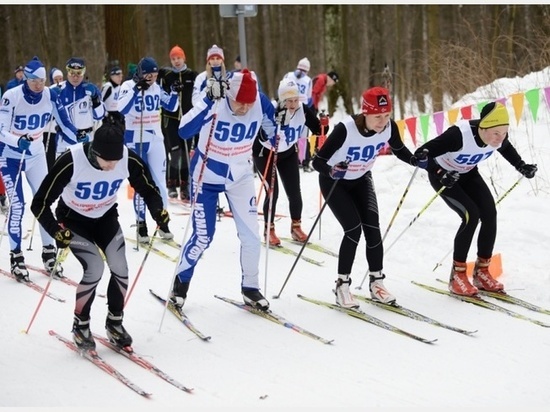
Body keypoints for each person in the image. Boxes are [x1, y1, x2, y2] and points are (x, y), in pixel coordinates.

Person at [30, 121, 170, 351]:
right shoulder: (71, 160)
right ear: (95, 153)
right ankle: (81, 324)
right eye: (108, 161)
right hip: (73, 220)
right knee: (95, 267)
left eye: (116, 160)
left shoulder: (127, 158)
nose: (113, 166)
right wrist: (55, 230)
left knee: (121, 268)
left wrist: (157, 212)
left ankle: (115, 323)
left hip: (105, 217)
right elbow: (40, 203)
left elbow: (149, 189)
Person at [174, 68, 277, 311]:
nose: (244, 108)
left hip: (240, 176)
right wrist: (208, 99)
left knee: (252, 237)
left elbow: (276, 138)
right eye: (240, 103)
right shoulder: (216, 99)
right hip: (206, 176)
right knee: (203, 237)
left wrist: (286, 124)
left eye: (248, 104)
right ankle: (180, 283)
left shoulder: (260, 102)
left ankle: (250, 287)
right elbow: (184, 130)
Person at [412, 102, 537, 297]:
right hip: (444, 176)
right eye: (496, 133)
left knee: (489, 214)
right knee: (471, 215)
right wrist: (439, 171)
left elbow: (506, 147)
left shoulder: (498, 134)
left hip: (469, 174)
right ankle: (457, 276)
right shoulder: (459, 135)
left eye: (504, 133)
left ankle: (481, 272)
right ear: (482, 127)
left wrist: (521, 166)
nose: (500, 138)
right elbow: (420, 155)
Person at [312, 86, 418, 308]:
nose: (383, 121)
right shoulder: (345, 130)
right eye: (377, 116)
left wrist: (417, 160)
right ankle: (342, 285)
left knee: (372, 228)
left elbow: (399, 150)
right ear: (365, 113)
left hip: (361, 179)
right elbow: (317, 161)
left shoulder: (389, 128)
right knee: (352, 228)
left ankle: (377, 283)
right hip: (335, 182)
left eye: (387, 115)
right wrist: (332, 170)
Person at [0, 56, 77, 281]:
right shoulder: (11, 96)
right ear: (26, 77)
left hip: (35, 156)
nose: (39, 85)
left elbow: (65, 123)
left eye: (42, 81)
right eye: (34, 80)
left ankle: (49, 251)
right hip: (10, 156)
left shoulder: (50, 95)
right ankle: (16, 256)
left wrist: (81, 138)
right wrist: (17, 140)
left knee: (43, 202)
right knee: (17, 206)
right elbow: (1, 130)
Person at [253, 79, 326, 246]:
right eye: (288, 101)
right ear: (281, 100)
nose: (293, 104)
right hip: (265, 153)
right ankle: (269, 229)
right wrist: (275, 125)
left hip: (287, 153)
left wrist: (323, 125)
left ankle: (296, 227)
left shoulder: (302, 110)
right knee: (272, 192)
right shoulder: (271, 109)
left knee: (294, 191)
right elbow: (261, 135)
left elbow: (317, 129)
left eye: (295, 100)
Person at [117, 56, 179, 243]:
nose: (151, 77)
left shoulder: (156, 87)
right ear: (140, 73)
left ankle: (162, 220)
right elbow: (122, 109)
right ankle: (141, 222)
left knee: (160, 182)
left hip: (155, 138)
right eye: (147, 73)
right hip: (136, 138)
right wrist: (137, 89)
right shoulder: (128, 86)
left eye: (154, 73)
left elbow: (171, 106)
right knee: (141, 183)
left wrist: (175, 92)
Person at [158, 45, 198, 202]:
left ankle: (185, 185)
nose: (176, 61)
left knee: (187, 151)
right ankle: (171, 184)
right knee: (175, 152)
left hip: (187, 117)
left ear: (184, 58)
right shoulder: (166, 75)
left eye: (178, 58)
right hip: (171, 119)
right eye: (173, 59)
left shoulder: (192, 75)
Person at [55, 57, 106, 157]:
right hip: (65, 141)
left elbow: (100, 116)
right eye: (72, 73)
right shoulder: (58, 89)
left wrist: (95, 98)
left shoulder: (90, 89)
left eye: (79, 73)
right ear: (67, 72)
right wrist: (51, 97)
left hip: (86, 138)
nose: (75, 77)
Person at [283, 58, 314, 171]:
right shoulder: (308, 80)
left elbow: (280, 90)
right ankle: (301, 160)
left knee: (287, 133)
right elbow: (310, 97)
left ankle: (286, 158)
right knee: (302, 136)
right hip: (301, 109)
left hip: (288, 107)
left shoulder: (288, 75)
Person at [43, 67, 65, 170]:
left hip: (58, 129)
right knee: (49, 156)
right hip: (49, 130)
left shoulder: (64, 89)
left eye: (60, 78)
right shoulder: (50, 89)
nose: (59, 81)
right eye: (56, 79)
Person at [101, 62, 125, 130]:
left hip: (117, 115)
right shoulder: (108, 87)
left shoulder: (120, 87)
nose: (120, 78)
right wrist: (106, 114)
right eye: (118, 76)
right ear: (112, 76)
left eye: (121, 76)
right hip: (108, 115)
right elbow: (101, 101)